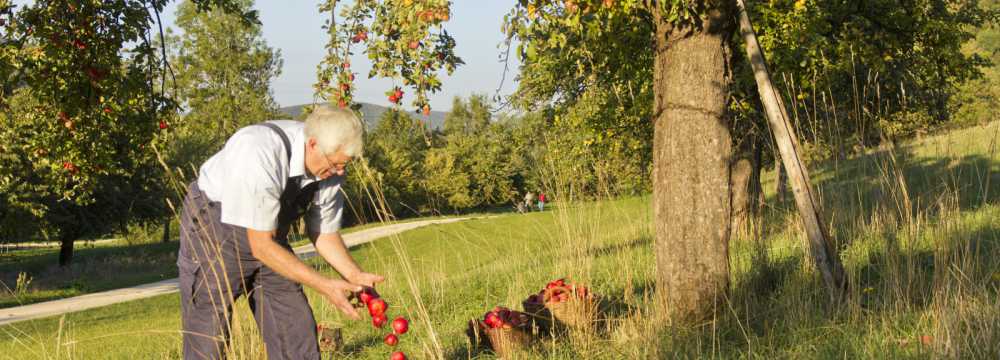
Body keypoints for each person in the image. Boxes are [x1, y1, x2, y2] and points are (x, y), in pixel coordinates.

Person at [177, 105, 384, 360]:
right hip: (216, 226)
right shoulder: (259, 151)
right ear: (312, 144)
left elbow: (324, 232)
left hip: (269, 235)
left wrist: (354, 275)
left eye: (344, 165)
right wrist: (324, 285)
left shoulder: (331, 169)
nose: (339, 172)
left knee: (294, 325)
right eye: (335, 164)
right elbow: (261, 246)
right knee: (208, 327)